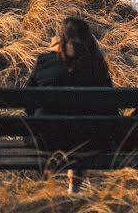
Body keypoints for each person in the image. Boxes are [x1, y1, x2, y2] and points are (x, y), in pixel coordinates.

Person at [26, 16, 113, 194]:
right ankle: (74, 187)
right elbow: (109, 108)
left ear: (60, 39)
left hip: (47, 141)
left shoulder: (44, 61)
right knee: (82, 125)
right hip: (89, 143)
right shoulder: (97, 66)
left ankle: (60, 187)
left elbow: (29, 102)